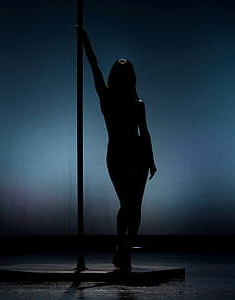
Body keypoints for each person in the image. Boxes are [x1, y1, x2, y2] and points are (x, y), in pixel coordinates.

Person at [76, 26, 157, 271]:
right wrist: (84, 39)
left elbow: (145, 132)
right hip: (118, 155)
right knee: (127, 204)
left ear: (130, 76)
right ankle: (122, 247)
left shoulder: (138, 103)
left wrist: (151, 160)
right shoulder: (107, 96)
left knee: (135, 207)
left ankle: (126, 249)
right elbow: (94, 66)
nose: (122, 65)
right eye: (119, 65)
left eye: (126, 66)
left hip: (138, 156)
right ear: (115, 74)